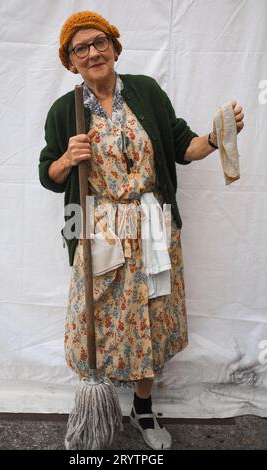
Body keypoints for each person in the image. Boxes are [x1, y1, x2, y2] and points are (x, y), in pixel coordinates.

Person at [39, 11, 244, 450]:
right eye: (81, 48)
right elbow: (48, 174)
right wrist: (66, 160)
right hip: (100, 230)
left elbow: (180, 143)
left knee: (151, 318)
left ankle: (143, 408)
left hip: (153, 226)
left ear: (114, 46)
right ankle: (102, 403)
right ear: (70, 61)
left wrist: (214, 138)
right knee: (97, 319)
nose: (92, 52)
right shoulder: (65, 111)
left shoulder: (147, 92)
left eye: (100, 42)